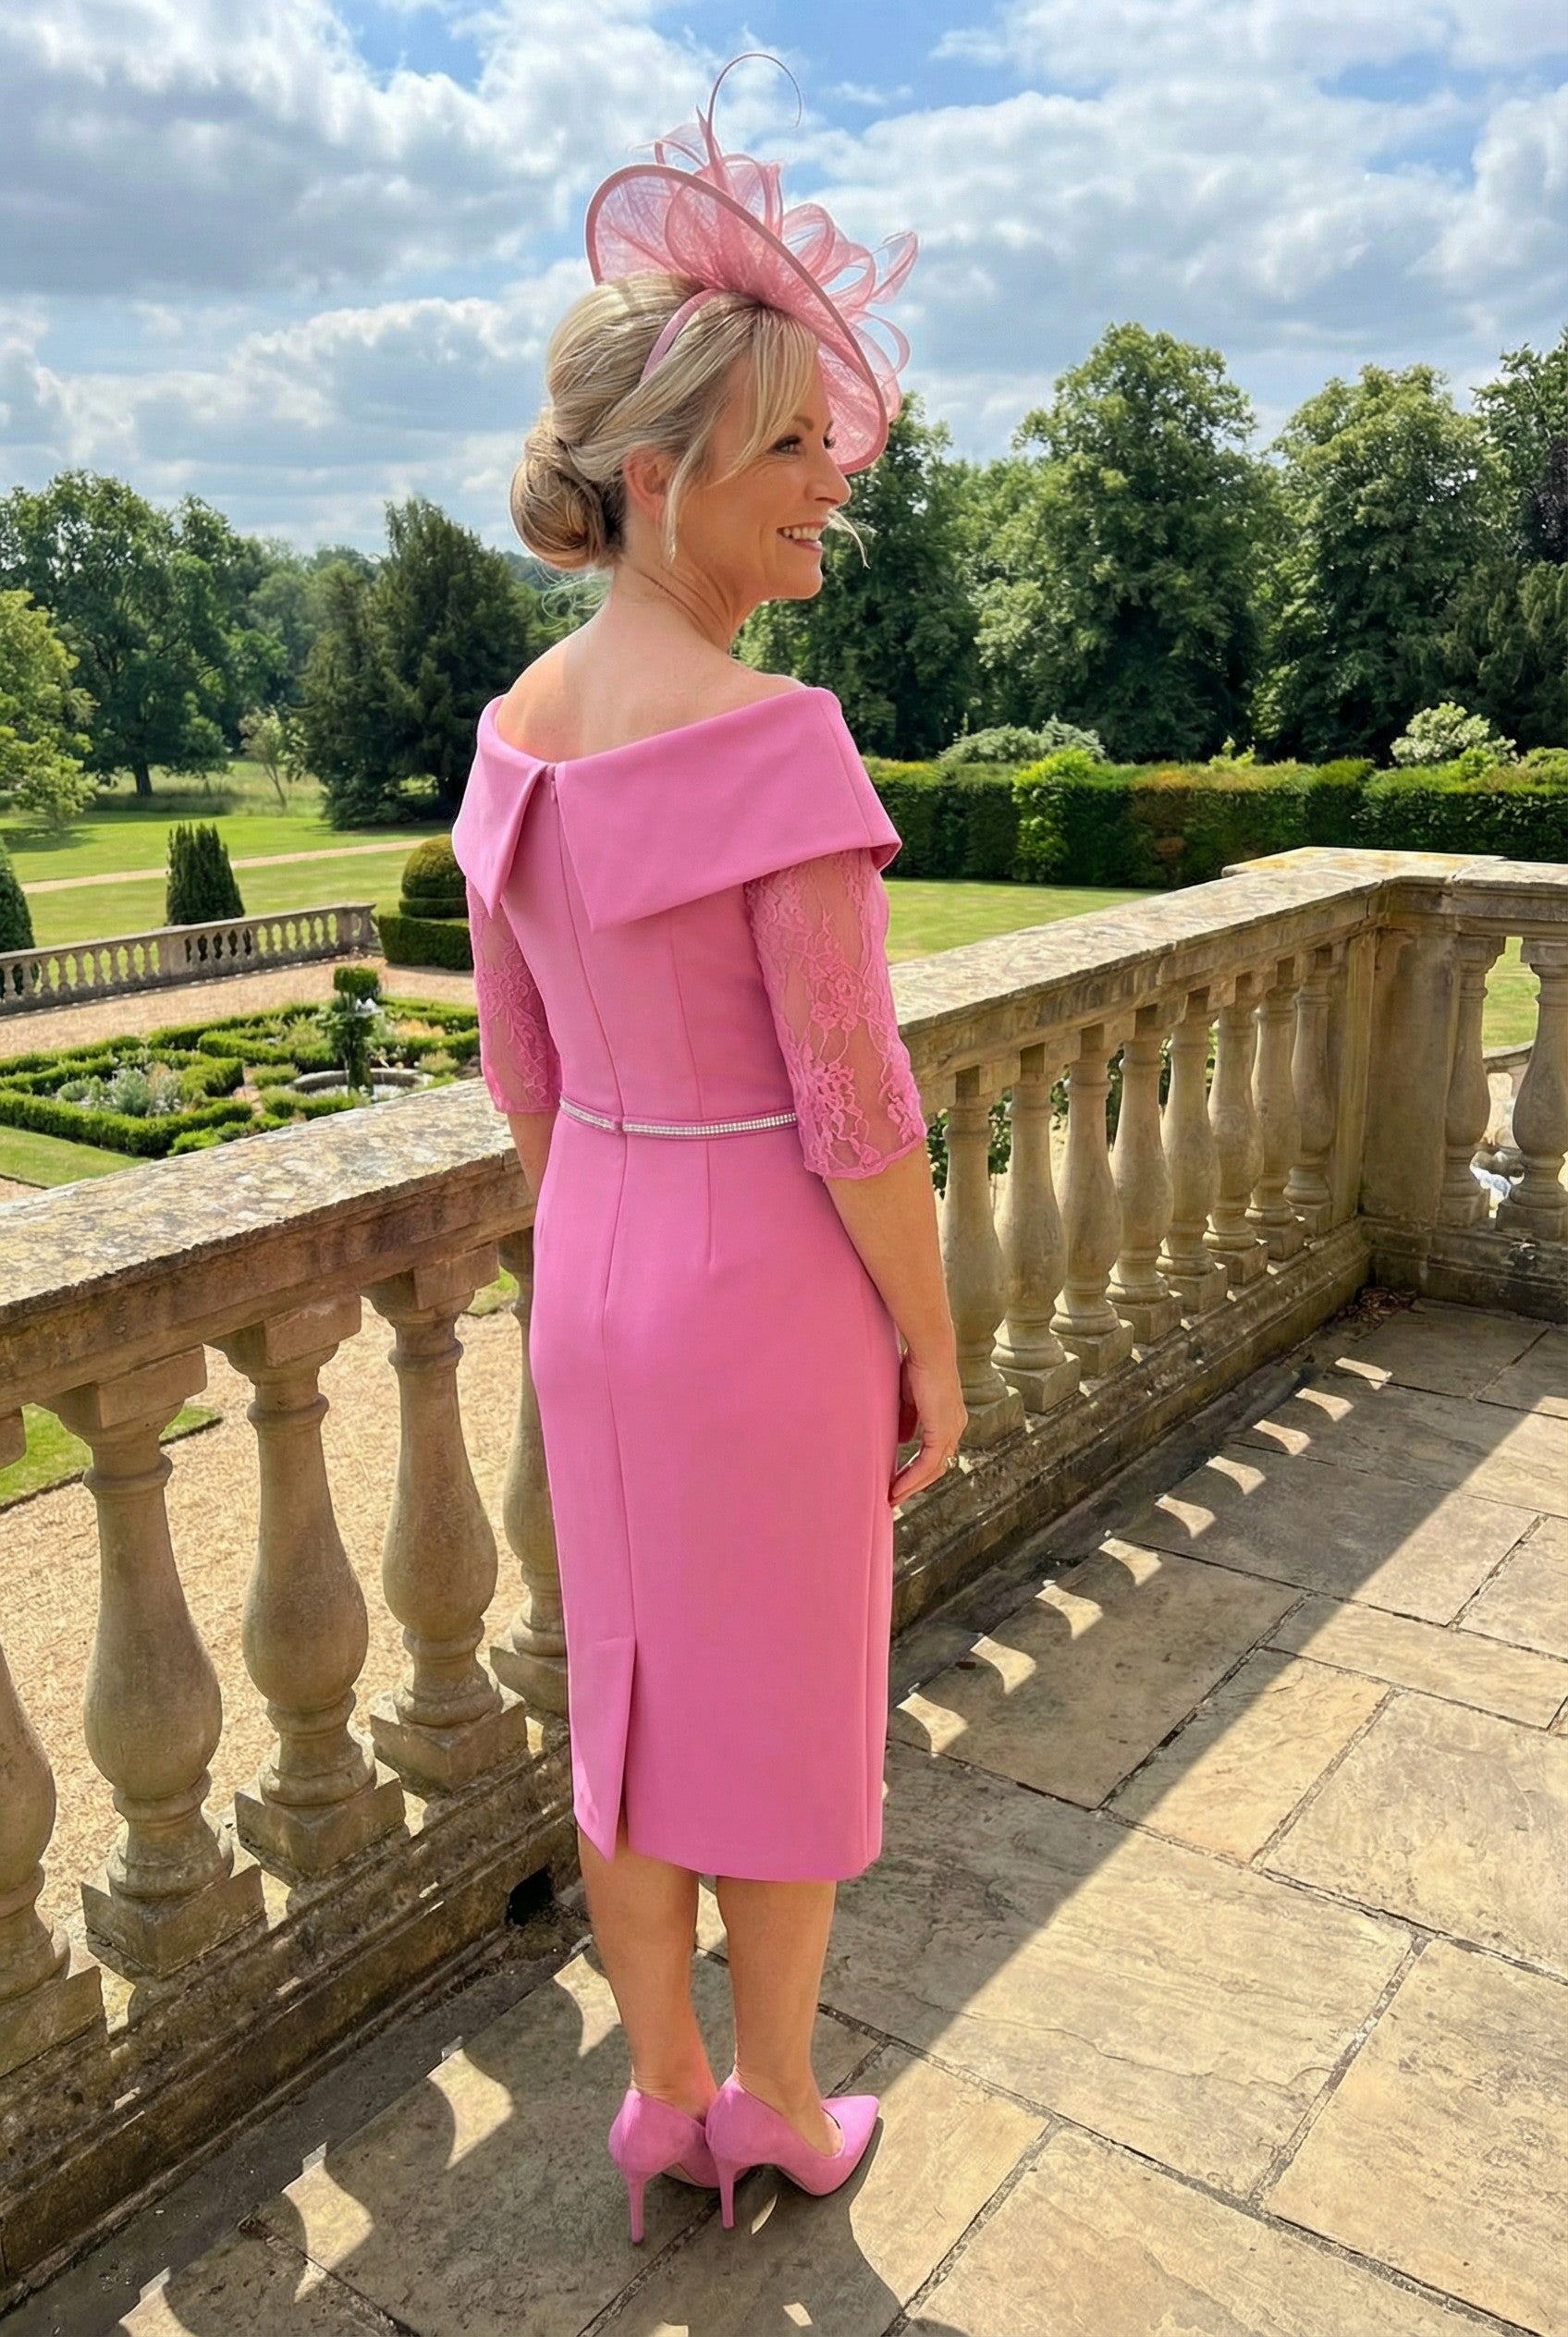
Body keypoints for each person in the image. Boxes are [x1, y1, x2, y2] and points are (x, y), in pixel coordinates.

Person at [449, 58, 965, 2243]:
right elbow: (858, 1115)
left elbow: (521, 1076)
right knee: (781, 1700)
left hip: (594, 1270)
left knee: (636, 1694)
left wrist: (608, 1232)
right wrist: (933, 1344)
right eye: (783, 456)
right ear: (654, 477)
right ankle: (773, 2095)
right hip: (761, 1282)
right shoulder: (771, 745)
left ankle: (658, 2098)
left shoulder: (512, 738)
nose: (819, 499)